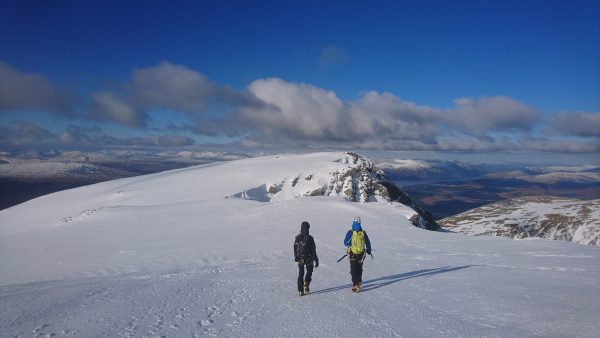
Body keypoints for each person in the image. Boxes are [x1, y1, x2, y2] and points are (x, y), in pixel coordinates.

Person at [343, 216, 372, 292]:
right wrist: (369, 250)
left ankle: (356, 284)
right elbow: (368, 242)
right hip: (361, 253)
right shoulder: (363, 233)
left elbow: (345, 243)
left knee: (353, 269)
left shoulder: (350, 232)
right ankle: (357, 282)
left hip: (352, 253)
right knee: (359, 268)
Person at [294, 221, 319, 296]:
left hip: (305, 258)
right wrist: (316, 259)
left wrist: (296, 257)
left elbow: (313, 249)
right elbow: (313, 249)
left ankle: (303, 287)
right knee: (305, 272)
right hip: (304, 258)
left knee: (305, 273)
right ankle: (303, 287)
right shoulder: (304, 238)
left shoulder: (304, 238)